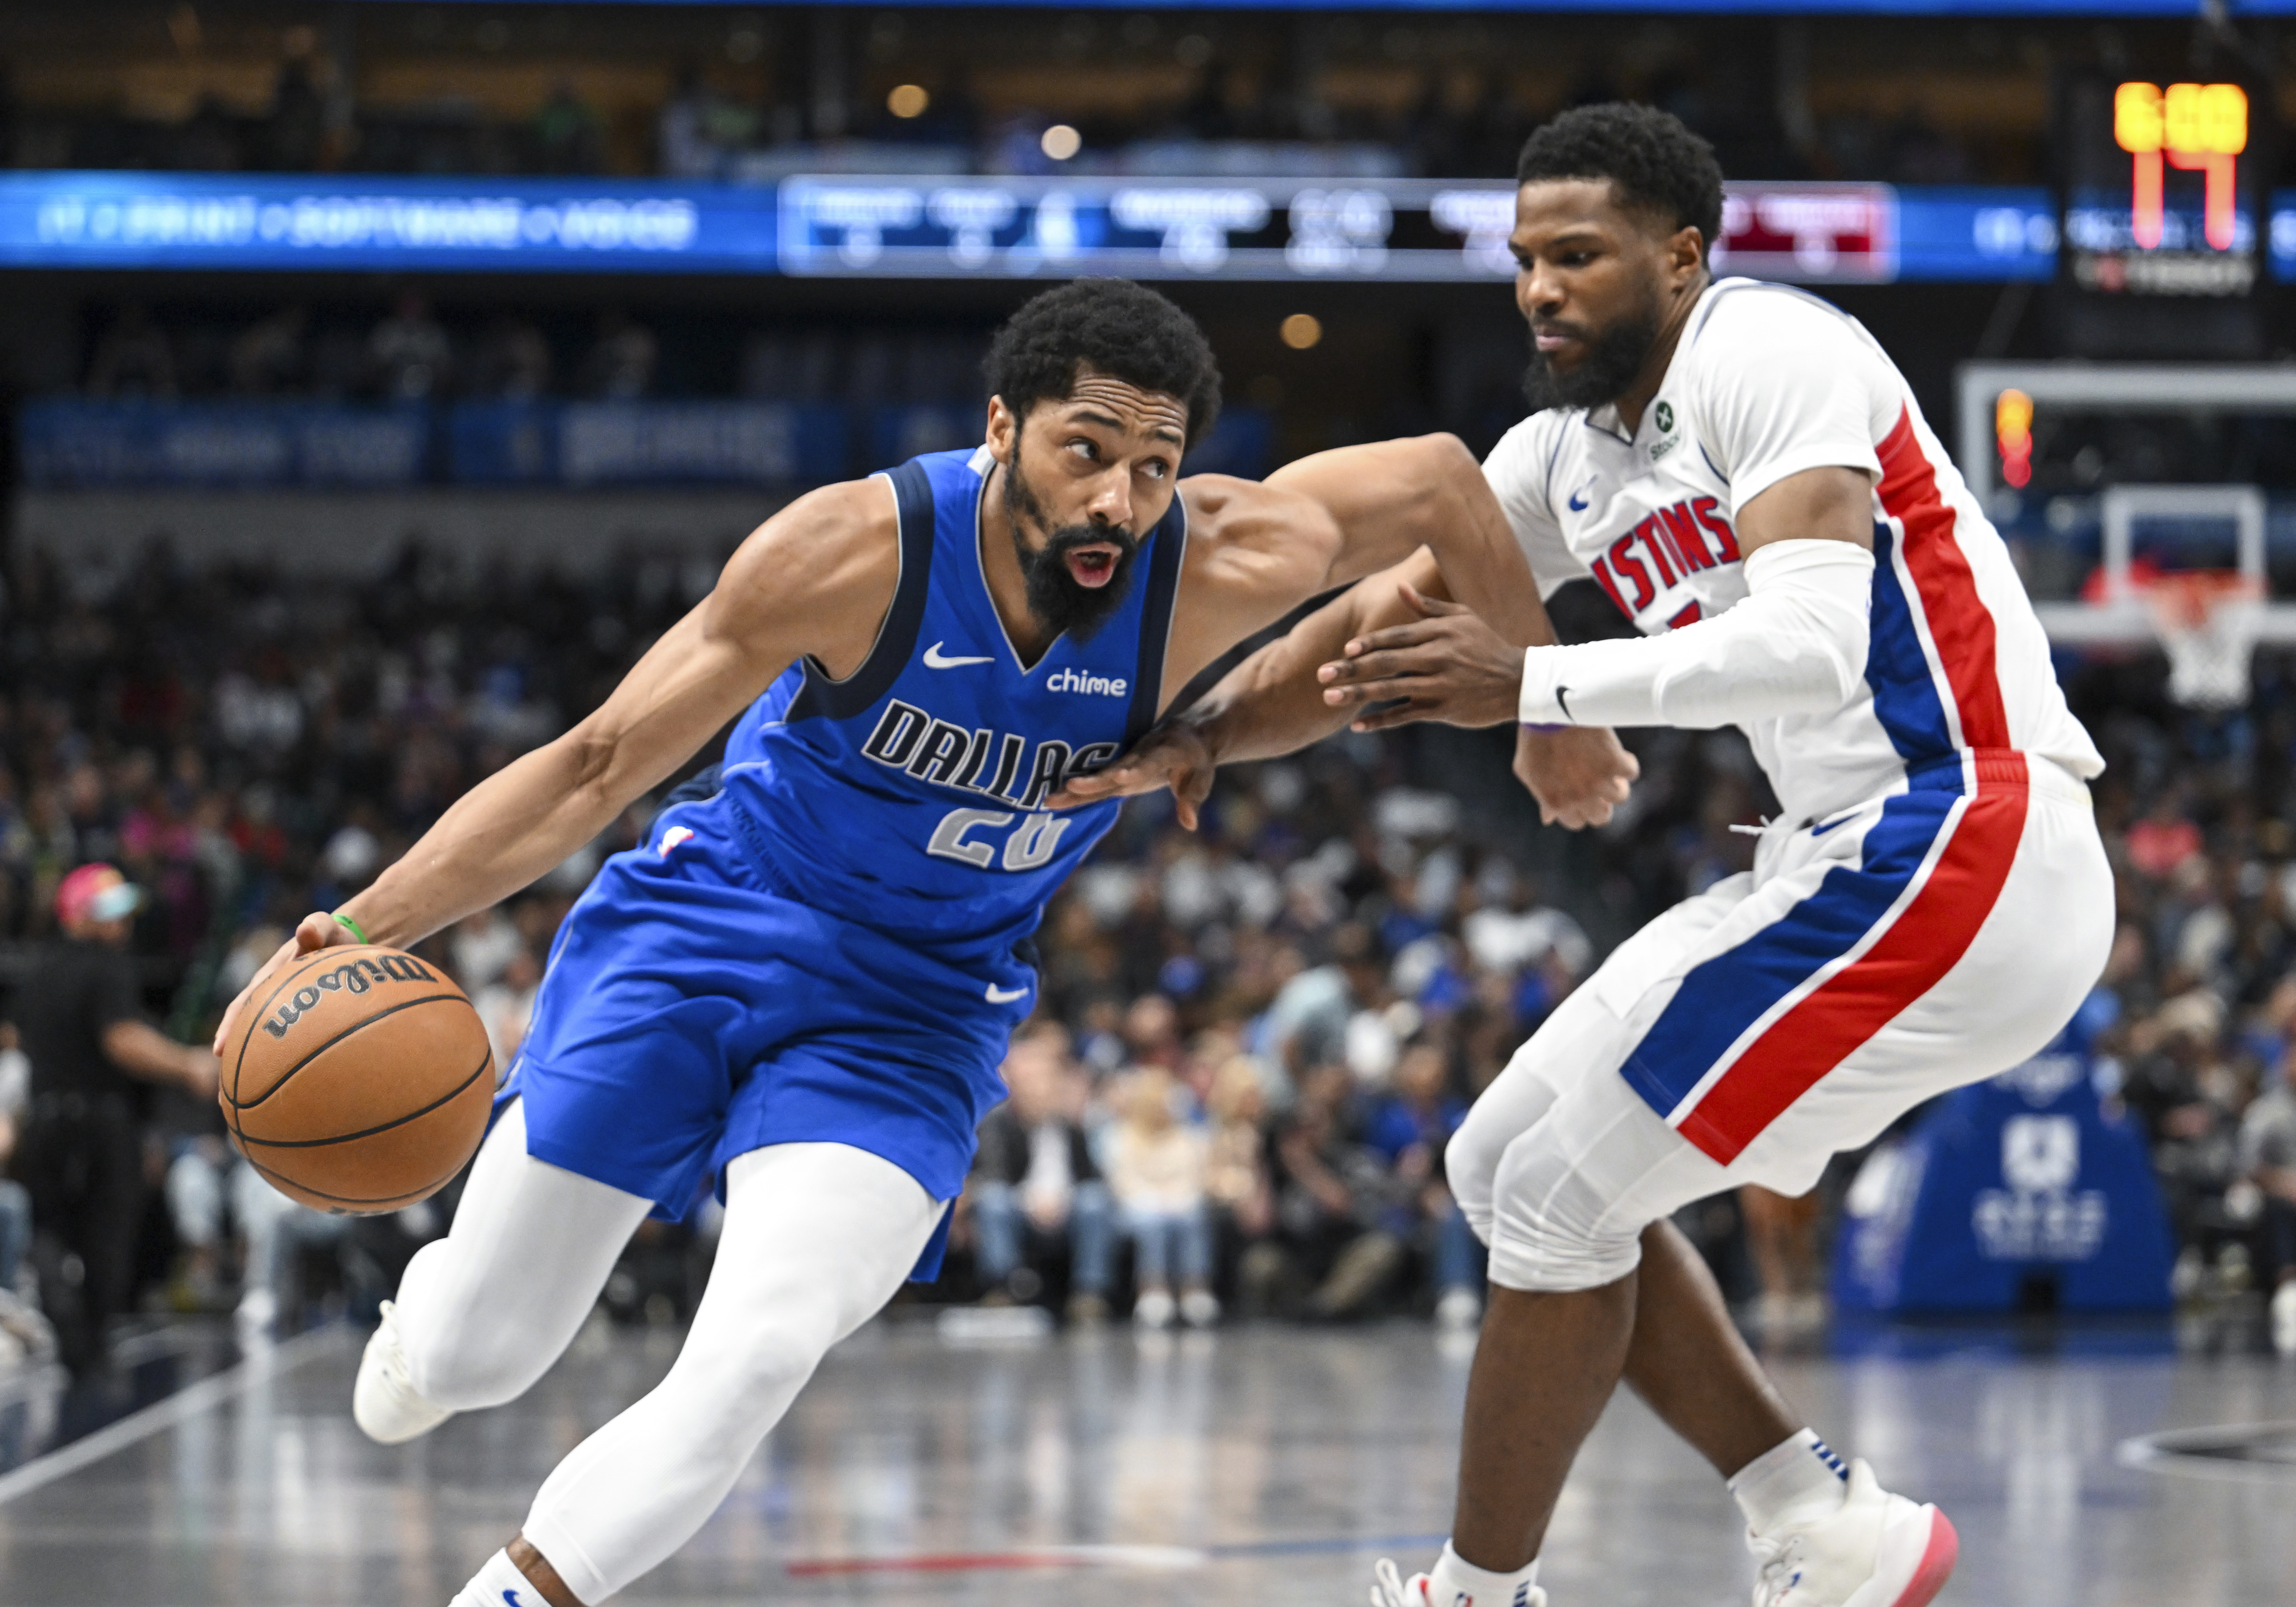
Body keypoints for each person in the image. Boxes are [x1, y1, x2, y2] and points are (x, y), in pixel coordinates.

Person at [213, 276, 1541, 1607]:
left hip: (916, 1010)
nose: (1117, 503)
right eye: (1087, 451)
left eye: (1155, 467)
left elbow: (1438, 482)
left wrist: (1548, 703)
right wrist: (358, 925)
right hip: (708, 930)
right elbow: (595, 763)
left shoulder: (1216, 562)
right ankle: (427, 1328)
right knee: (474, 1361)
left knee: (760, 1345)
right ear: (1001, 426)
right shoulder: (854, 551)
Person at [1062, 105, 2111, 1607]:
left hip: (1967, 826)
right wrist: (1201, 740)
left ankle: (1473, 1595)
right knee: (1501, 1170)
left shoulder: (1775, 353)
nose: (1540, 288)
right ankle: (1828, 1527)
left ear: (1680, 260)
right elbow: (1377, 631)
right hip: (1844, 856)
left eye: (1579, 255)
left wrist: (1538, 688)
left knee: (1565, 1199)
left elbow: (1817, 648)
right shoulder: (1560, 460)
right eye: (1525, 260)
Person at [13, 864, 219, 1371]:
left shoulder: (35, 971)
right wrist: (188, 1063)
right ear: (78, 914)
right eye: (108, 911)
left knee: (47, 1225)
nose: (121, 923)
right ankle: (91, 1348)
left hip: (42, 1122)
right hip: (101, 1125)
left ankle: (57, 1291)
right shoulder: (109, 968)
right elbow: (122, 1039)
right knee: (106, 1237)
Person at [967, 1028, 1114, 1318]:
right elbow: (995, 1175)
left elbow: (1091, 1176)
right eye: (1033, 1082)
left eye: (1048, 1081)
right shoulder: (999, 1123)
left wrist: (1061, 1198)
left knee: (1096, 1201)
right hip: (1019, 1205)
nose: (1042, 1089)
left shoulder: (1072, 1125)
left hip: (1067, 1206)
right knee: (994, 1200)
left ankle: (1089, 1294)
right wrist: (1033, 1200)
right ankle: (1003, 1287)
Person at [1105, 1066, 1216, 1328]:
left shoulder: (1187, 1137)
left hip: (1179, 1203)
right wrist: (1154, 1199)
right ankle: (1153, 1289)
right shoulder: (1121, 1137)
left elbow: (1193, 1178)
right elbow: (1123, 1183)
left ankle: (1194, 1289)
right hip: (1138, 1207)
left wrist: (1175, 1198)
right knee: (1153, 1224)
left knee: (1193, 1218)